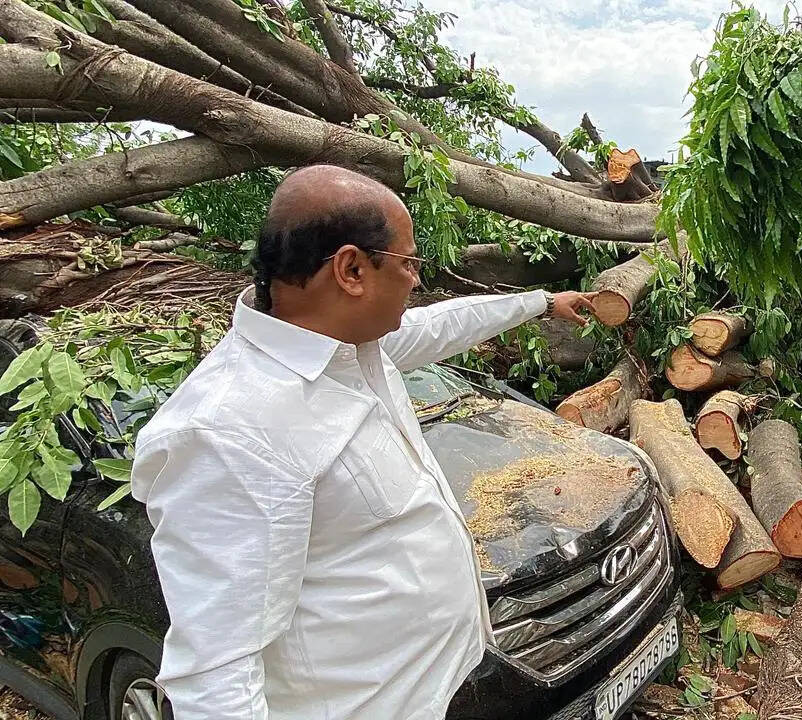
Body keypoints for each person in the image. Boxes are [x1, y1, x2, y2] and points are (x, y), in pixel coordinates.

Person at [130, 165, 600, 719]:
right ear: (351, 269)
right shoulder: (230, 430)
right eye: (409, 263)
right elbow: (216, 673)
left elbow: (442, 324)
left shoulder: (351, 349)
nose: (416, 281)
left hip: (439, 691)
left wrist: (542, 302)